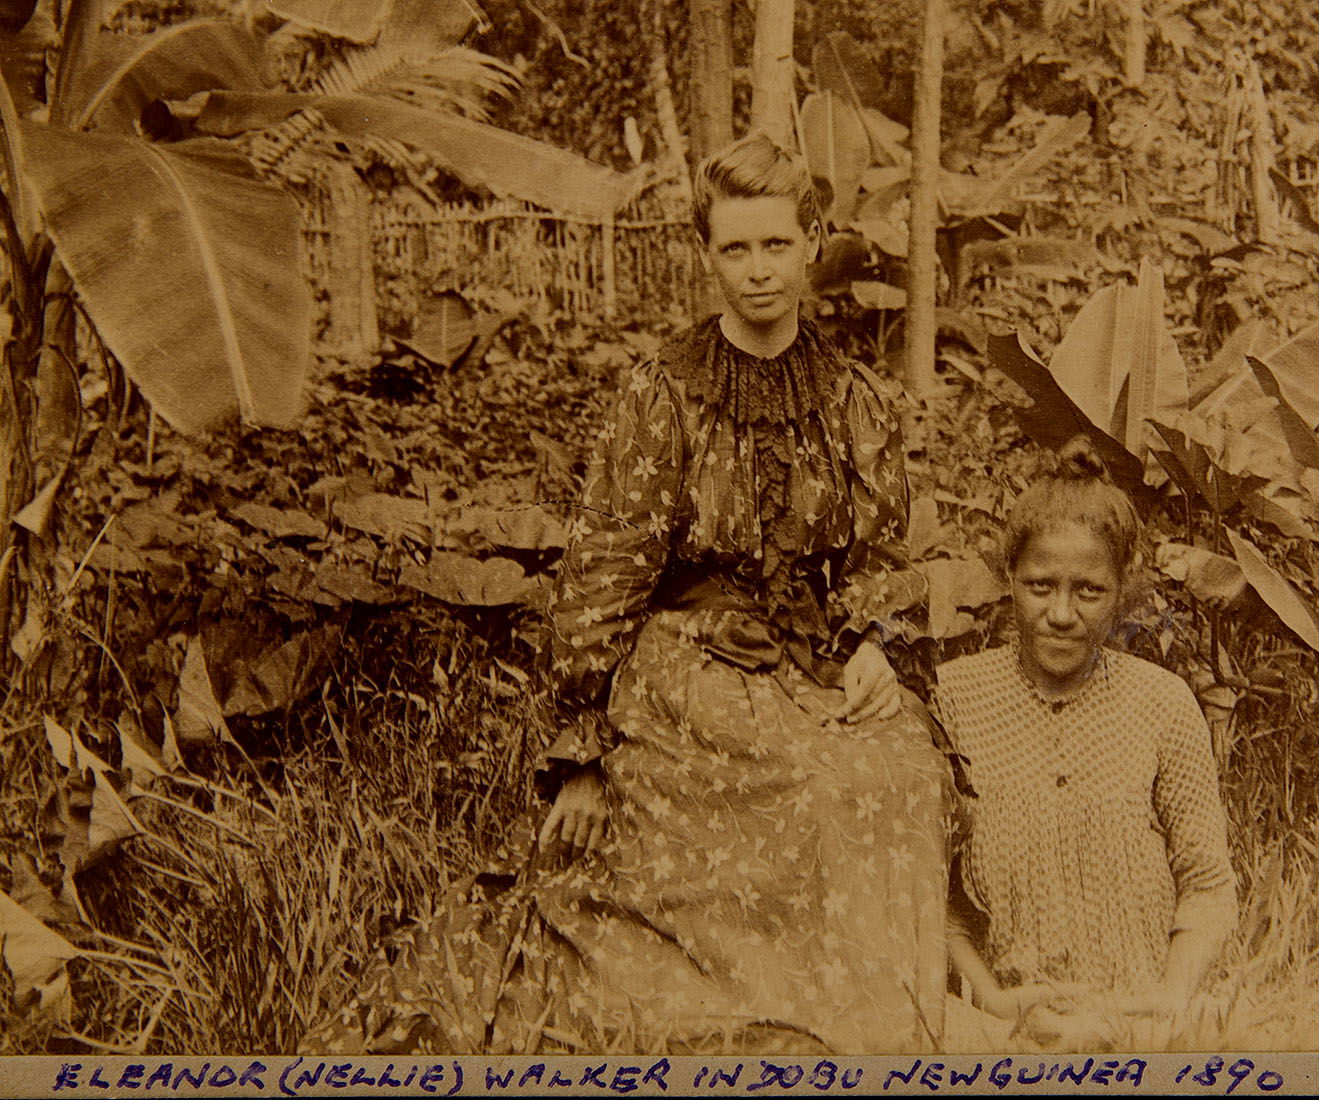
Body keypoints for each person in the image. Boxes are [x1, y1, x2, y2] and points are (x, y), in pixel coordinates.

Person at [302, 133, 952, 1055]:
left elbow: (883, 546)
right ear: (707, 256)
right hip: (690, 662)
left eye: (776, 244)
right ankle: (771, 1013)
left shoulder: (854, 398)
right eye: (735, 248)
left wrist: (876, 641)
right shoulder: (663, 395)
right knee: (799, 787)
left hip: (817, 654)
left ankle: (890, 1019)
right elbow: (604, 570)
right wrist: (581, 754)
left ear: (813, 242)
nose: (758, 270)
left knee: (902, 772)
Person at [936, 437, 1237, 1049]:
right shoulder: (951, 699)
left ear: (1123, 588)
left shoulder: (1163, 703)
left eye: (1089, 591)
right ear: (1009, 579)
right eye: (1041, 586)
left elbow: (1208, 884)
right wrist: (993, 1002)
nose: (1062, 613)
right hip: (1002, 1024)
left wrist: (1170, 999)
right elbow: (928, 893)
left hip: (1141, 1013)